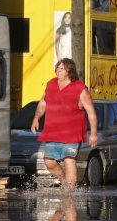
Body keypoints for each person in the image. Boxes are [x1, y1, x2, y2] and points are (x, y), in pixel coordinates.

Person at [31, 57, 98, 190]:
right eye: (58, 68)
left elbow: (91, 112)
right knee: (49, 162)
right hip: (53, 132)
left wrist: (94, 134)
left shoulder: (79, 87)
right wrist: (36, 118)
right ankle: (64, 182)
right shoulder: (51, 84)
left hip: (72, 134)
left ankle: (70, 192)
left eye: (62, 68)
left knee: (69, 160)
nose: (58, 71)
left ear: (70, 71)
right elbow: (43, 102)